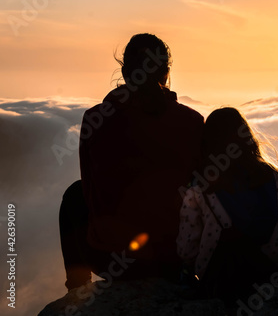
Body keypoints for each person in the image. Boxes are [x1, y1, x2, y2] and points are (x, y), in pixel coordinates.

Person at [59, 33, 204, 290]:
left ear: (125, 72)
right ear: (166, 72)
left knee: (74, 195)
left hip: (110, 260)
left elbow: (90, 191)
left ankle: (77, 288)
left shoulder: (96, 119)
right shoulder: (193, 122)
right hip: (173, 259)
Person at [176, 107, 278, 303]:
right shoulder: (272, 176)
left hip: (220, 278)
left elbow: (187, 249)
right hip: (271, 272)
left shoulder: (201, 186)